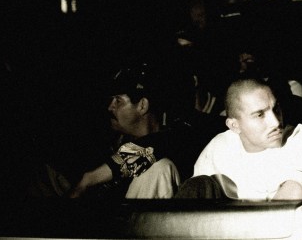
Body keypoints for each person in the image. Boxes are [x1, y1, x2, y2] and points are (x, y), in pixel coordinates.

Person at [67, 63, 217, 199]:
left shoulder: (179, 137)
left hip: (141, 225)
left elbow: (155, 145)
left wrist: (90, 178)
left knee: (159, 168)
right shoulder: (106, 140)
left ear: (142, 106)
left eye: (118, 101)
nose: (110, 107)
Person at [188, 78, 302, 201]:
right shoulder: (219, 146)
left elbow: (298, 192)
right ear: (235, 126)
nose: (276, 122)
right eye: (260, 115)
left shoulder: (297, 137)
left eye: (276, 109)